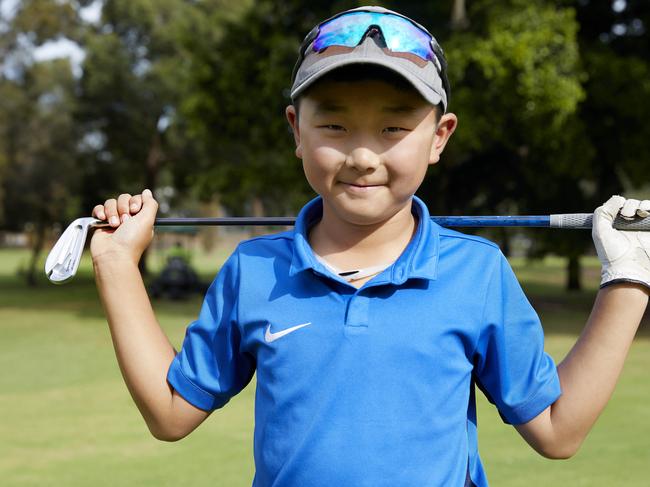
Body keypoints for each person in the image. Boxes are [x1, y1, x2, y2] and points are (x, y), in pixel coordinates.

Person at [89, 6, 650, 486]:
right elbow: (170, 414)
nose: (362, 155)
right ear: (295, 131)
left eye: (392, 129)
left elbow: (556, 430)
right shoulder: (253, 270)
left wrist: (628, 280)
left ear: (440, 137)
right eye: (334, 126)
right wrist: (117, 264)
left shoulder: (477, 272)